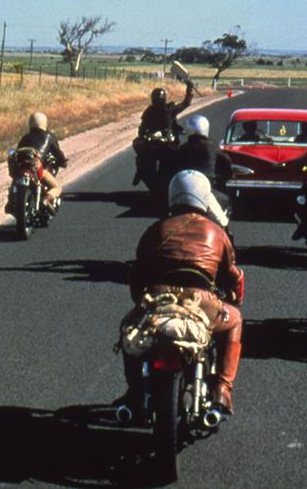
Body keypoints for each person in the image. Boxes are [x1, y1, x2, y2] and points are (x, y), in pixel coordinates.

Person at [119, 170, 244, 413]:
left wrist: (140, 302)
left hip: (158, 297)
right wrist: (235, 296)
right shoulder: (216, 232)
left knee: (127, 326)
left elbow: (137, 273)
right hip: (202, 302)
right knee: (236, 319)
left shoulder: (156, 229)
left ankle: (134, 391)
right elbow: (232, 273)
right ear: (204, 197)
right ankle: (223, 388)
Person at [172, 114, 233, 227]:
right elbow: (227, 167)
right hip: (207, 193)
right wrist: (221, 179)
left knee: (166, 219)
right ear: (205, 128)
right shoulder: (213, 147)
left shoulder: (182, 149)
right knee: (223, 223)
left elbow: (171, 170)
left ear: (189, 130)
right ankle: (228, 242)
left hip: (180, 192)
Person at [133, 81, 194, 187]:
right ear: (164, 98)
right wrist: (189, 90)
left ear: (153, 98)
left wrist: (143, 135)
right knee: (179, 156)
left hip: (153, 143)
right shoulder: (170, 108)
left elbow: (142, 128)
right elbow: (186, 103)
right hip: (168, 143)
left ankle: (140, 171)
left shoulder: (149, 110)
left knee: (138, 146)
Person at [9, 111, 68, 212]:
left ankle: (12, 199)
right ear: (44, 123)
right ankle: (46, 200)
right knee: (57, 188)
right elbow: (58, 154)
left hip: (21, 167)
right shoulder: (49, 137)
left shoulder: (25, 137)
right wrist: (63, 161)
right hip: (36, 167)